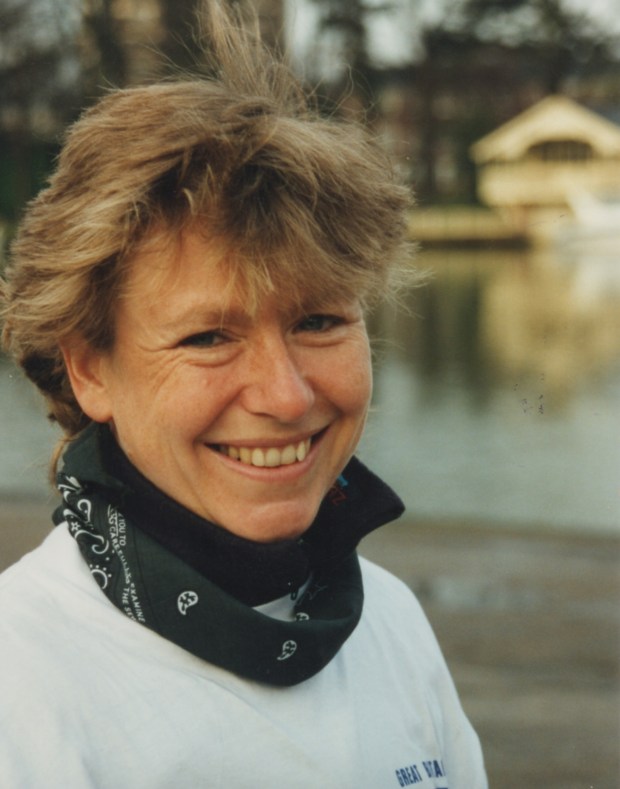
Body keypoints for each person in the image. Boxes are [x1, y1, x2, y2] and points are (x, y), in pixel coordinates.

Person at [0, 3, 487, 786]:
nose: (287, 396)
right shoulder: (22, 681)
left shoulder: (390, 621)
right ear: (90, 370)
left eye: (321, 320)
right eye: (207, 337)